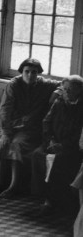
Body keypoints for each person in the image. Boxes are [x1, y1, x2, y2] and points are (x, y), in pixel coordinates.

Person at [0, 58, 60, 197]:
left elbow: (64, 84)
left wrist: (57, 92)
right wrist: (6, 132)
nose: (30, 75)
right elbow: (4, 110)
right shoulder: (14, 85)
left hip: (30, 128)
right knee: (1, 143)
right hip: (10, 125)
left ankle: (13, 185)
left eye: (34, 72)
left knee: (16, 144)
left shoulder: (45, 84)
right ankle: (0, 182)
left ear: (38, 73)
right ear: (21, 72)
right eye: (27, 71)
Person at [31, 75, 83, 216]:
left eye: (70, 90)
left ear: (79, 90)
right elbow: (46, 122)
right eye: (64, 89)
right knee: (37, 154)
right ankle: (43, 197)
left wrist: (63, 144)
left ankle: (55, 201)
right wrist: (51, 140)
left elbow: (79, 132)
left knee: (59, 161)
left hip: (71, 146)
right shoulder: (59, 102)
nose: (66, 92)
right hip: (52, 141)